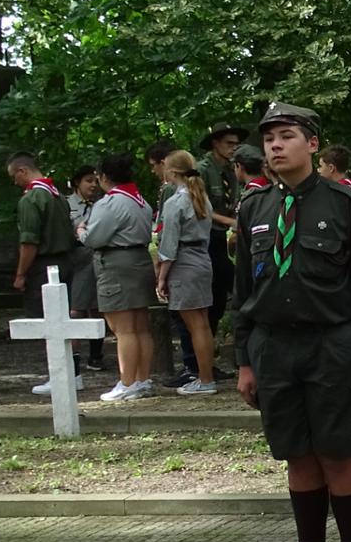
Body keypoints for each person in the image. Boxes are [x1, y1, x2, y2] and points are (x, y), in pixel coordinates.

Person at [236, 103, 351, 542]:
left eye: (286, 136)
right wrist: (243, 360)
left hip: (332, 347)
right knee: (297, 456)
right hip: (274, 349)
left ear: (313, 144)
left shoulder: (346, 203)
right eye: (269, 139)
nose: (275, 146)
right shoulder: (253, 209)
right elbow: (243, 294)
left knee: (339, 454)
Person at [80, 155, 158, 402]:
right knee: (141, 326)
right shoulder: (141, 201)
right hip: (140, 260)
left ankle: (127, 382)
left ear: (104, 177)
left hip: (116, 263)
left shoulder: (110, 202)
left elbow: (95, 239)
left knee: (123, 329)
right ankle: (142, 379)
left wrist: (81, 231)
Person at [9, 152, 82, 395]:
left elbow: (29, 241)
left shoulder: (32, 199)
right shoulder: (57, 194)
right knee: (65, 319)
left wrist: (21, 273)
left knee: (49, 322)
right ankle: (74, 372)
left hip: (44, 266)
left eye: (13, 176)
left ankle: (59, 375)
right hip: (66, 262)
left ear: (22, 171)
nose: (14, 182)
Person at [155, 151, 220, 395]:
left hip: (184, 263)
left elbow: (169, 245)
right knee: (201, 323)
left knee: (195, 326)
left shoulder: (175, 203)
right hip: (202, 260)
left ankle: (205, 380)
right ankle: (206, 376)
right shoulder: (202, 197)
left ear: (171, 172)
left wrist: (162, 276)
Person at [195, 123, 245, 366]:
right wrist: (231, 222)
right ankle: (204, 361)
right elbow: (199, 206)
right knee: (221, 294)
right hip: (209, 238)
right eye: (229, 144)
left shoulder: (232, 170)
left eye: (236, 144)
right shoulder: (203, 170)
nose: (234, 148)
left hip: (225, 237)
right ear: (216, 144)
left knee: (227, 293)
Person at [65, 166, 107, 371]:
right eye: (88, 180)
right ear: (76, 183)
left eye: (96, 181)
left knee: (97, 306)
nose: (93, 185)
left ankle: (96, 354)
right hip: (74, 255)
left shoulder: (103, 204)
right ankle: (72, 356)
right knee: (75, 307)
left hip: (95, 254)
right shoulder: (66, 203)